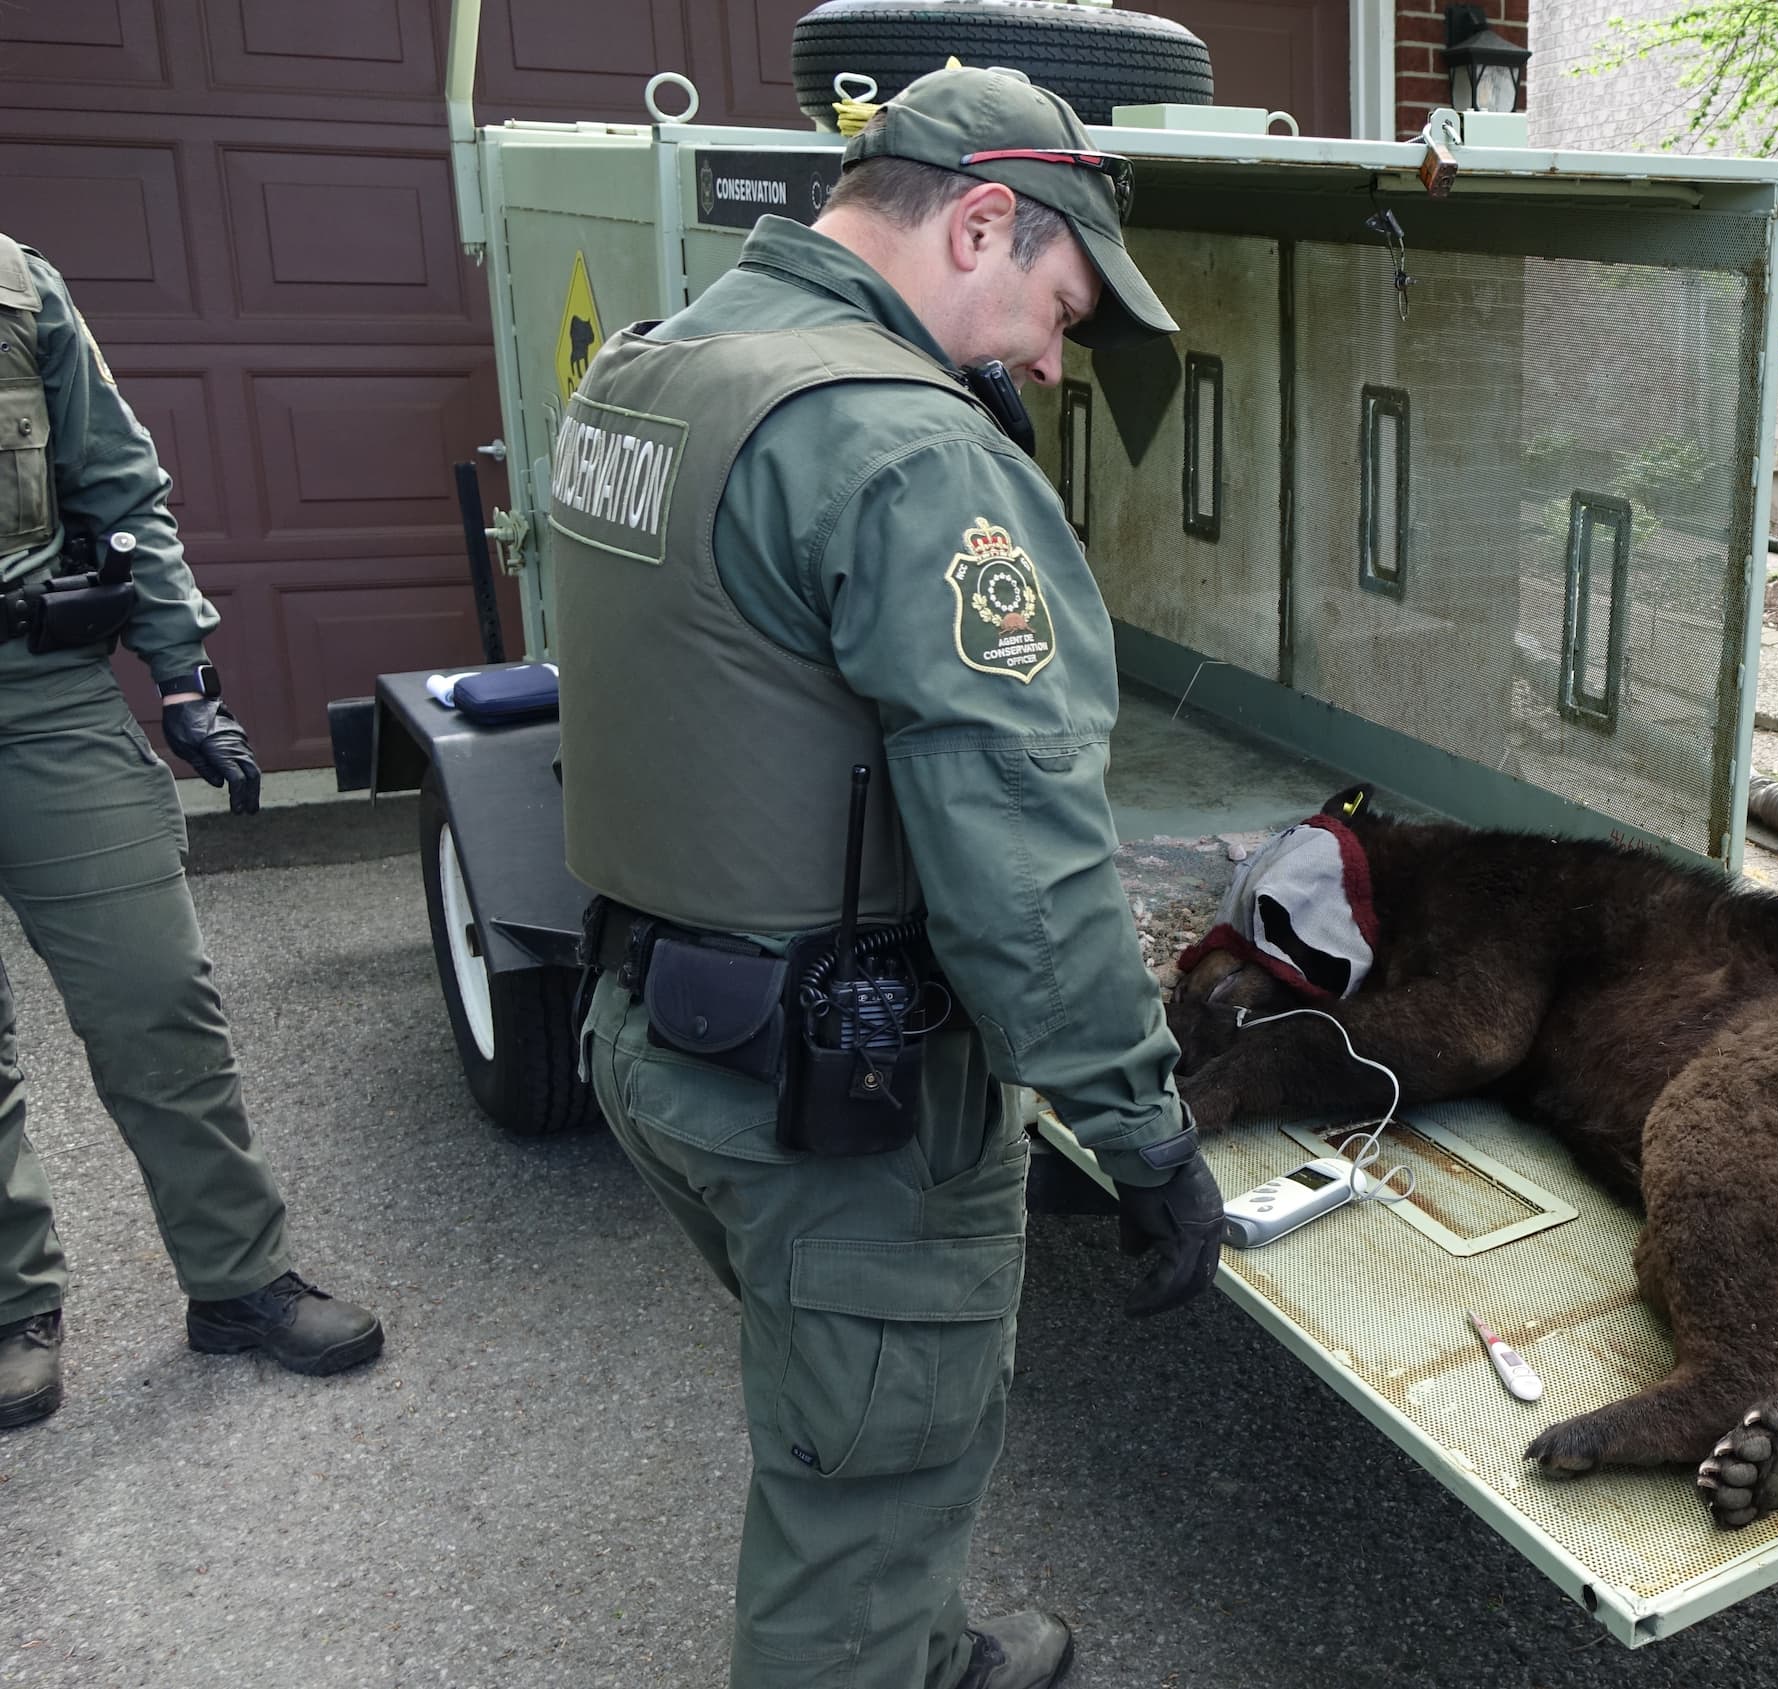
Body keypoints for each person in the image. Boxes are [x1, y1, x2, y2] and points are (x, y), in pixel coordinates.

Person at [555, 68, 1226, 1689]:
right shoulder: (907, 449)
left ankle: (923, 1647)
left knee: (870, 1423)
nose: (1057, 360)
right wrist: (1140, 1130)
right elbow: (1025, 848)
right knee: (859, 1482)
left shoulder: (653, 369)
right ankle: (879, 1648)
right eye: (1059, 308)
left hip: (660, 1038)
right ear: (982, 220)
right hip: (836, 1096)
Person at [0, 231, 385, 1432]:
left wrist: (183, 677)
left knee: (155, 992)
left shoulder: (14, 282)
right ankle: (14, 1307)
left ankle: (236, 1280)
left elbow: (116, 478)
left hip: (39, 690)